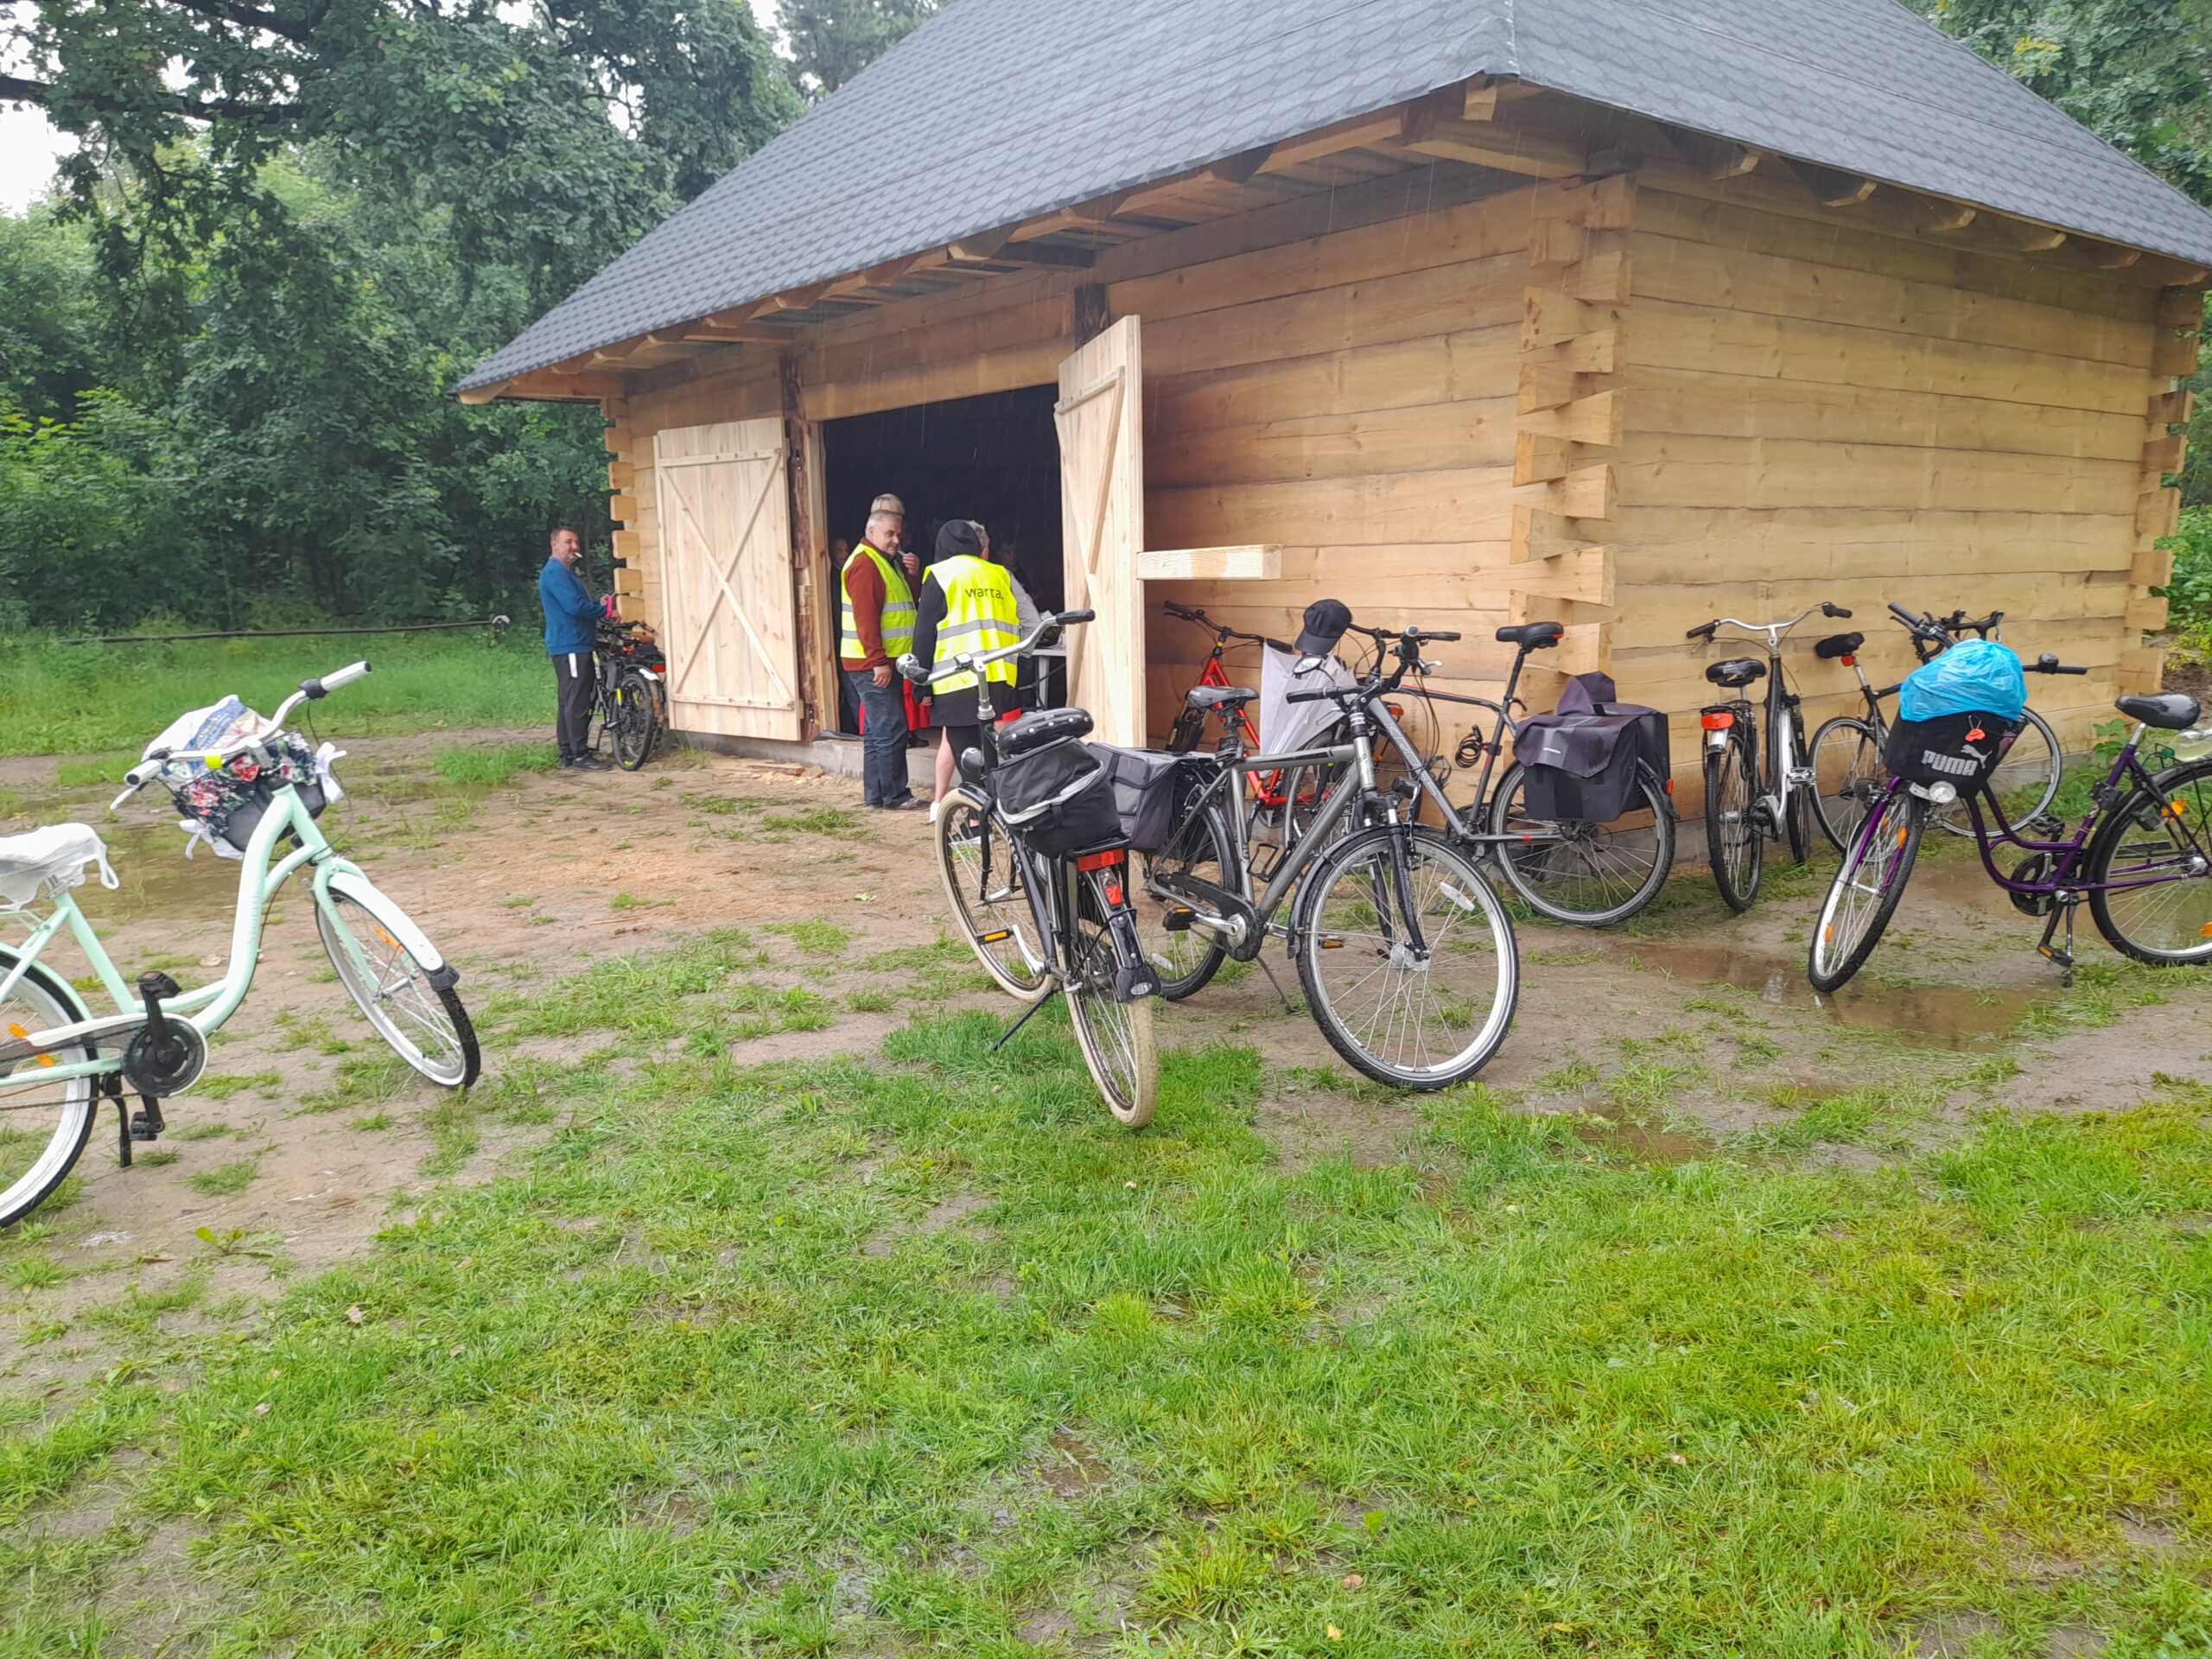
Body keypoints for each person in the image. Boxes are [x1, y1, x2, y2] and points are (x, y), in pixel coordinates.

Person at [911, 518, 1022, 809]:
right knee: (988, 750)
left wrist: (920, 683)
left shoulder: (941, 574)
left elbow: (924, 632)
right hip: (998, 675)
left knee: (967, 754)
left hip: (957, 677)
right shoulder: (999, 574)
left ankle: (976, 819)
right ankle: (995, 812)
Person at [837, 493, 925, 810]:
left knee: (878, 731)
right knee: (891, 728)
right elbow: (866, 618)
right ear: (872, 532)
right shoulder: (866, 564)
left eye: (898, 534)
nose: (896, 540)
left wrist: (913, 576)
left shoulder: (886, 562)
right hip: (873, 664)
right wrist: (878, 662)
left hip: (880, 661)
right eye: (889, 534)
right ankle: (895, 796)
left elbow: (908, 603)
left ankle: (876, 796)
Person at [539, 527, 610, 772]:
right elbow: (574, 607)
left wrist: (597, 605)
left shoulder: (564, 573)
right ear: (554, 545)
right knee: (577, 700)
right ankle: (580, 755)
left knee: (568, 700)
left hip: (572, 643)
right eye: (568, 542)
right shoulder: (556, 573)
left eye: (576, 542)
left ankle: (568, 752)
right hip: (570, 644)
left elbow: (578, 604)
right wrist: (605, 611)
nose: (574, 547)